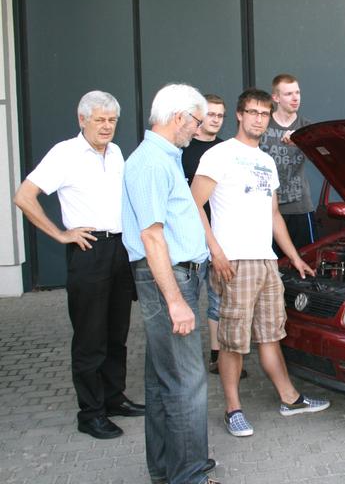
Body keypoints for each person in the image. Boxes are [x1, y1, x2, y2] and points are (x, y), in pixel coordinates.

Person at [192, 88, 330, 439]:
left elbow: (273, 216)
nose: (257, 118)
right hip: (233, 261)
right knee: (232, 341)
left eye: (263, 114)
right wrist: (216, 253)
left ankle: (290, 398)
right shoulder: (218, 155)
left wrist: (295, 258)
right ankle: (232, 409)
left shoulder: (267, 161)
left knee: (271, 336)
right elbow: (193, 205)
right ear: (239, 115)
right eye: (251, 112)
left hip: (267, 261)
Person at [13, 90, 143, 440]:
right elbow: (24, 196)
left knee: (117, 333)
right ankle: (90, 413)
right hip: (89, 252)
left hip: (119, 251)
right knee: (90, 337)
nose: (106, 126)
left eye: (112, 120)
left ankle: (114, 399)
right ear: (81, 119)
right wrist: (60, 234)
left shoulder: (116, 152)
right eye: (99, 119)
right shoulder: (64, 153)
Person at [122, 83, 218, 484]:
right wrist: (176, 300)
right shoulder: (151, 162)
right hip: (169, 280)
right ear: (179, 116)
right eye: (195, 121)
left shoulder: (165, 157)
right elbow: (152, 237)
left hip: (178, 275)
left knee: (163, 380)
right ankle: (189, 474)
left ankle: (167, 468)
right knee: (186, 382)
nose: (197, 129)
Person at [181, 93, 245, 377]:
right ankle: (184, 361)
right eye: (211, 114)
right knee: (188, 299)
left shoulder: (226, 150)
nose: (216, 120)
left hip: (221, 237)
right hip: (189, 238)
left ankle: (219, 355)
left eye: (221, 116)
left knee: (221, 300)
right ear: (199, 115)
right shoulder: (182, 148)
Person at [258, 74, 316, 255]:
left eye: (297, 92)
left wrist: (301, 141)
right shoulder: (263, 124)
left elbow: (323, 159)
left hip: (299, 206)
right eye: (288, 94)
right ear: (275, 98)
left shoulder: (307, 127)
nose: (295, 98)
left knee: (306, 259)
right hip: (266, 207)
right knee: (271, 264)